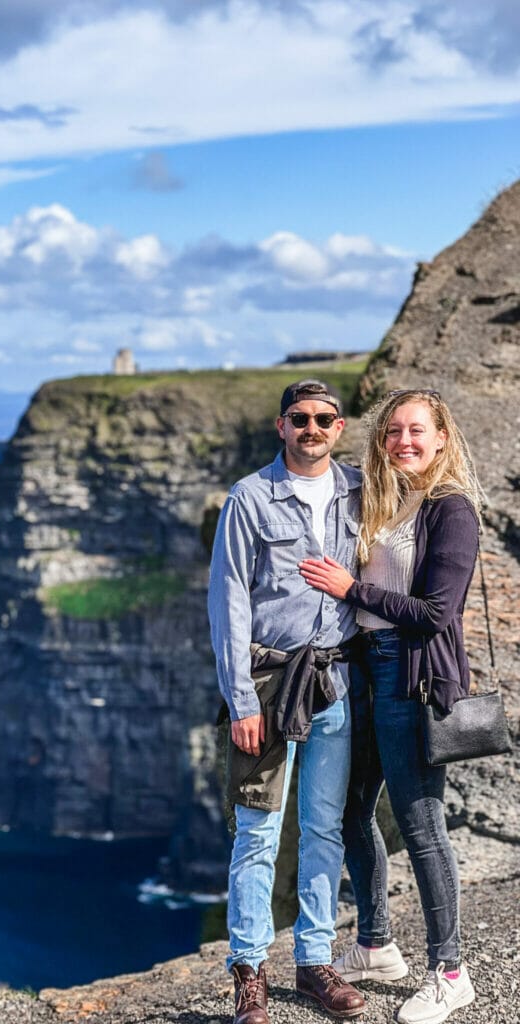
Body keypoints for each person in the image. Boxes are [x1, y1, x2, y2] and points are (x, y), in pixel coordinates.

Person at [299, 389, 481, 1024]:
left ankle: (450, 971)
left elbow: (436, 614)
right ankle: (375, 946)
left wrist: (355, 588)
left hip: (412, 677)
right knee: (350, 810)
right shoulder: (383, 499)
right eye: (393, 431)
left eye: (417, 431)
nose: (404, 440)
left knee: (421, 822)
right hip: (364, 674)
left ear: (440, 438)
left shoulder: (451, 508)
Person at [208, 379, 366, 1023]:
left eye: (323, 418)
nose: (311, 428)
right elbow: (228, 600)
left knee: (324, 826)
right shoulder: (249, 497)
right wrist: (240, 699)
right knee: (258, 831)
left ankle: (314, 962)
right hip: (269, 684)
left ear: (340, 425)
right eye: (298, 418)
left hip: (338, 681)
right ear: (281, 427)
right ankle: (250, 973)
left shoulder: (360, 489)